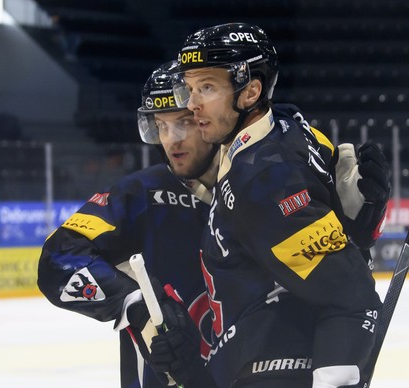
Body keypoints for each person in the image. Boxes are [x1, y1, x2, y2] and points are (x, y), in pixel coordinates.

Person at [149, 23, 390, 388]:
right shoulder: (287, 122)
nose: (192, 102)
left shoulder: (264, 180)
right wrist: (361, 217)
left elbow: (351, 296)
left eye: (207, 87)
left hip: (270, 367)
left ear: (250, 92)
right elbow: (344, 229)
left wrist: (333, 378)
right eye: (191, 87)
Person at [37, 60, 218, 388]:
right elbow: (58, 259)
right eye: (161, 126)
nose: (171, 140)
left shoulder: (254, 184)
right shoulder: (139, 194)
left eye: (184, 122)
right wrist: (133, 303)